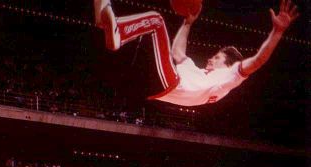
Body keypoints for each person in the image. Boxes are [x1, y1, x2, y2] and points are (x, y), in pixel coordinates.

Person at [94, 0, 299, 106]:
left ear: (229, 65)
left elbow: (258, 60)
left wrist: (277, 32)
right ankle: (106, 25)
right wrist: (187, 23)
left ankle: (115, 30)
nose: (211, 58)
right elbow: (177, 53)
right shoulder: (200, 75)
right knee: (144, 39)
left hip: (168, 84)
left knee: (156, 21)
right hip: (153, 89)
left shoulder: (229, 76)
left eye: (217, 57)